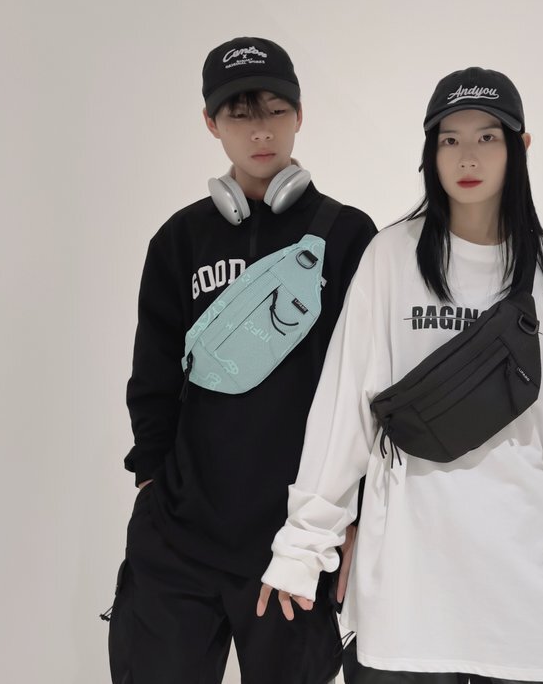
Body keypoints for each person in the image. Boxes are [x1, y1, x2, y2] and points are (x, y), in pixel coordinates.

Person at [257, 67, 543, 683]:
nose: (467, 157)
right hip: (407, 591)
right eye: (450, 139)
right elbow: (344, 409)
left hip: (524, 581)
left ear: (520, 147)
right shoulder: (392, 257)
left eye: (487, 137)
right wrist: (304, 543)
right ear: (430, 151)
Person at [107, 36, 377, 684]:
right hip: (179, 536)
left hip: (295, 540)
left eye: (276, 110)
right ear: (211, 123)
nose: (261, 131)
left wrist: (355, 511)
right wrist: (151, 483)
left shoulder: (348, 237)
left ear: (300, 114)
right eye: (239, 114)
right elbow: (153, 374)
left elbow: (368, 389)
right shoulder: (179, 239)